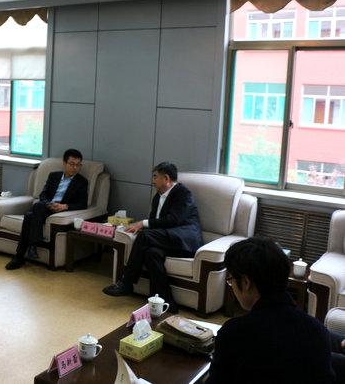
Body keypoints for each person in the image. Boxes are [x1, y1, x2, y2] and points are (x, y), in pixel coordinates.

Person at [206, 237, 335, 383]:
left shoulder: (236, 332)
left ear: (246, 282)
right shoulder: (318, 330)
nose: (232, 286)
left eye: (231, 280)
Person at [102, 162, 202, 313]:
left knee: (144, 236)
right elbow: (156, 223)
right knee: (151, 253)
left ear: (166, 178)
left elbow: (174, 220)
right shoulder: (157, 197)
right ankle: (167, 303)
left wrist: (143, 223)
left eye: (155, 177)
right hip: (167, 240)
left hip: (184, 241)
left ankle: (127, 283)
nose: (153, 181)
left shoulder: (183, 193)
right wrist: (145, 225)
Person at [5, 149, 88, 270]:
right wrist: (48, 204)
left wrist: (64, 206)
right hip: (46, 208)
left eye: (78, 165)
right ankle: (31, 247)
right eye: (72, 164)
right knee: (37, 207)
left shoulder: (82, 182)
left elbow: (82, 204)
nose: (75, 167)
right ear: (64, 163)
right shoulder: (54, 176)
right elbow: (43, 194)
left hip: (60, 212)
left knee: (29, 215)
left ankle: (20, 256)